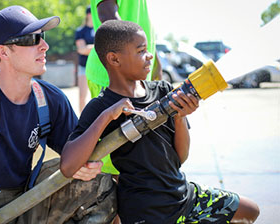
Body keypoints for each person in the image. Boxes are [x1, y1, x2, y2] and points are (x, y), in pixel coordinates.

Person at [60, 20, 260, 224]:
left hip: (183, 196)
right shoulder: (100, 106)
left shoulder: (163, 90)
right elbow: (68, 166)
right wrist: (106, 117)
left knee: (249, 211)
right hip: (145, 210)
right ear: (114, 59)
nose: (149, 56)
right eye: (141, 51)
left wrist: (180, 117)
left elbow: (180, 158)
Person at [0, 5, 116, 224]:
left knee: (102, 188)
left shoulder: (51, 99)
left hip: (28, 200)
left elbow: (76, 153)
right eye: (31, 39)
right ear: (3, 52)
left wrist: (86, 166)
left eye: (42, 36)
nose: (44, 45)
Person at [86, 0, 162, 175]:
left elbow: (143, 23)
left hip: (133, 73)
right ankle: (109, 196)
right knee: (113, 154)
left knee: (133, 147)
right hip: (113, 76)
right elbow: (107, 15)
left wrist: (156, 64)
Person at [74, 6, 95, 113]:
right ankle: (82, 120)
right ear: (89, 14)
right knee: (82, 96)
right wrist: (97, 47)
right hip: (84, 67)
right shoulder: (81, 31)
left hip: (97, 67)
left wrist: (89, 47)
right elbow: (81, 49)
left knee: (97, 96)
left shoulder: (99, 29)